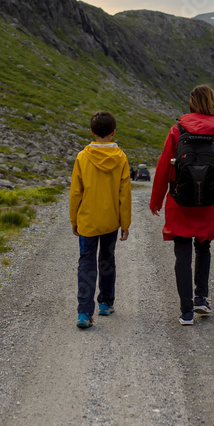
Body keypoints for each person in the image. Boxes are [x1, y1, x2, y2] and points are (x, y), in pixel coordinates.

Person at [150, 85, 214, 325]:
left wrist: (156, 200)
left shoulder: (177, 130)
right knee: (203, 248)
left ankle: (186, 311)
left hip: (180, 200)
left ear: (191, 102)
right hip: (208, 202)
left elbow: (162, 169)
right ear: (213, 103)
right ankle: (201, 297)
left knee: (182, 255)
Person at [69, 110, 132, 329]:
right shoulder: (121, 157)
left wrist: (73, 219)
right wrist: (125, 223)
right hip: (110, 221)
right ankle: (105, 302)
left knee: (86, 263)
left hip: (87, 221)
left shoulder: (82, 157)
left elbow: (76, 192)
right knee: (107, 259)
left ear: (92, 132)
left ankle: (85, 313)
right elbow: (124, 193)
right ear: (113, 132)